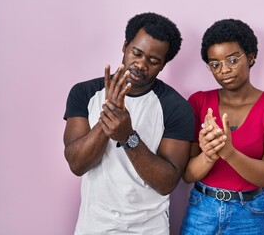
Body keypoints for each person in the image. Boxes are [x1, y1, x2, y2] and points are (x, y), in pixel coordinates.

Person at [63, 12, 195, 235]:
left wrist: (128, 137)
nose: (141, 64)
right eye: (137, 53)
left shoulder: (176, 107)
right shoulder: (84, 93)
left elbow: (166, 183)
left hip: (149, 229)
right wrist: (108, 119)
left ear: (163, 65)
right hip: (93, 226)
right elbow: (77, 164)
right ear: (125, 46)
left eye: (153, 61)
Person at [180, 18, 264, 234]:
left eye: (232, 60)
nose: (224, 70)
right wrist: (209, 155)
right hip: (201, 210)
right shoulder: (198, 102)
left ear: (250, 57)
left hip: (250, 215)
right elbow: (187, 174)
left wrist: (229, 153)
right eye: (215, 64)